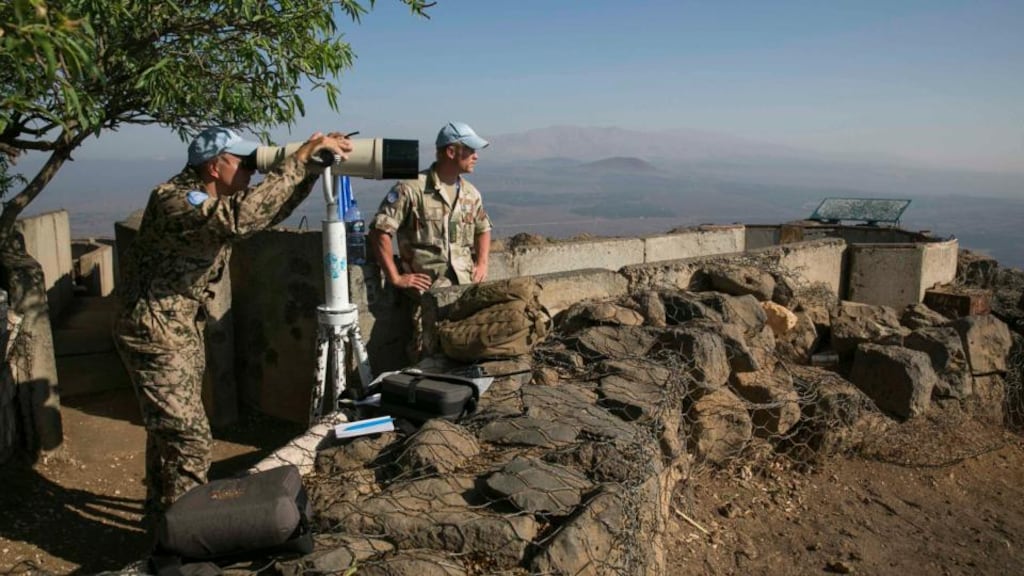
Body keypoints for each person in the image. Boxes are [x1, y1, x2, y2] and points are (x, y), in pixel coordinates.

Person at [113, 126, 354, 520]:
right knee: (187, 437)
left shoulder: (212, 200)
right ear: (213, 166)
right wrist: (296, 159)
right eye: (242, 162)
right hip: (152, 329)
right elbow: (240, 219)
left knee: (168, 433)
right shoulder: (174, 200)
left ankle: (162, 519)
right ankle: (185, 535)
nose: (250, 170)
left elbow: (266, 211)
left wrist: (308, 171)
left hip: (177, 328)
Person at [368, 121, 492, 359]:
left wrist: (483, 262)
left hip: (464, 292)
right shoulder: (411, 188)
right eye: (470, 150)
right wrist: (395, 277)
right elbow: (380, 231)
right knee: (426, 357)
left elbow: (483, 227)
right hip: (428, 297)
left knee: (464, 353)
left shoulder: (470, 193)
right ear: (451, 151)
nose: (476, 156)